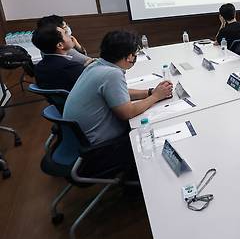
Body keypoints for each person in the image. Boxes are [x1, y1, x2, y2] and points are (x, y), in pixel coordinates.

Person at [63, 31, 173, 174]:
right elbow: (127, 113)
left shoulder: (97, 65)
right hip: (100, 149)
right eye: (135, 53)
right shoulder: (112, 74)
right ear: (128, 57)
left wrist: (149, 92)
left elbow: (119, 93)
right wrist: (155, 97)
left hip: (79, 141)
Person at [31, 25, 85, 91]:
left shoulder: (39, 68)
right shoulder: (72, 67)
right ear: (60, 45)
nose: (70, 36)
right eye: (65, 34)